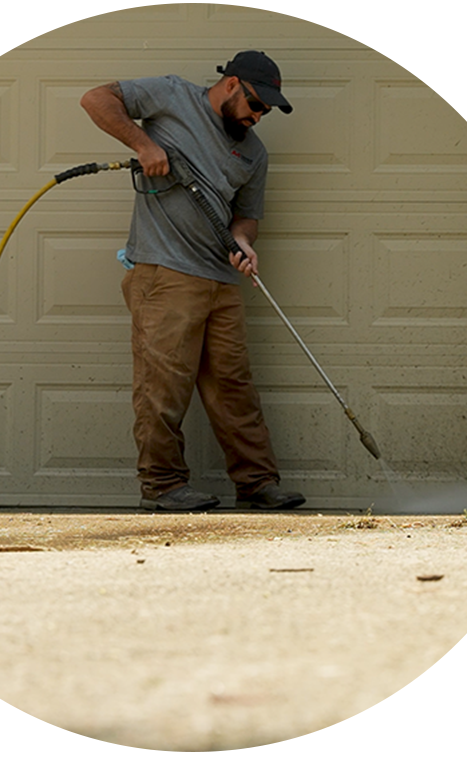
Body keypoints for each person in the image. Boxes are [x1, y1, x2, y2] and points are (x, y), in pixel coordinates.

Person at [80, 50, 306, 512]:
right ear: (231, 85)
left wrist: (243, 242)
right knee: (163, 385)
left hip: (221, 279)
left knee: (234, 386)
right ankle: (162, 486)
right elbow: (96, 99)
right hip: (165, 273)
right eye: (255, 104)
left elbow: (246, 219)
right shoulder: (172, 95)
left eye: (265, 110)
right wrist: (144, 145)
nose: (259, 116)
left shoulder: (253, 153)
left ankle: (257, 483)